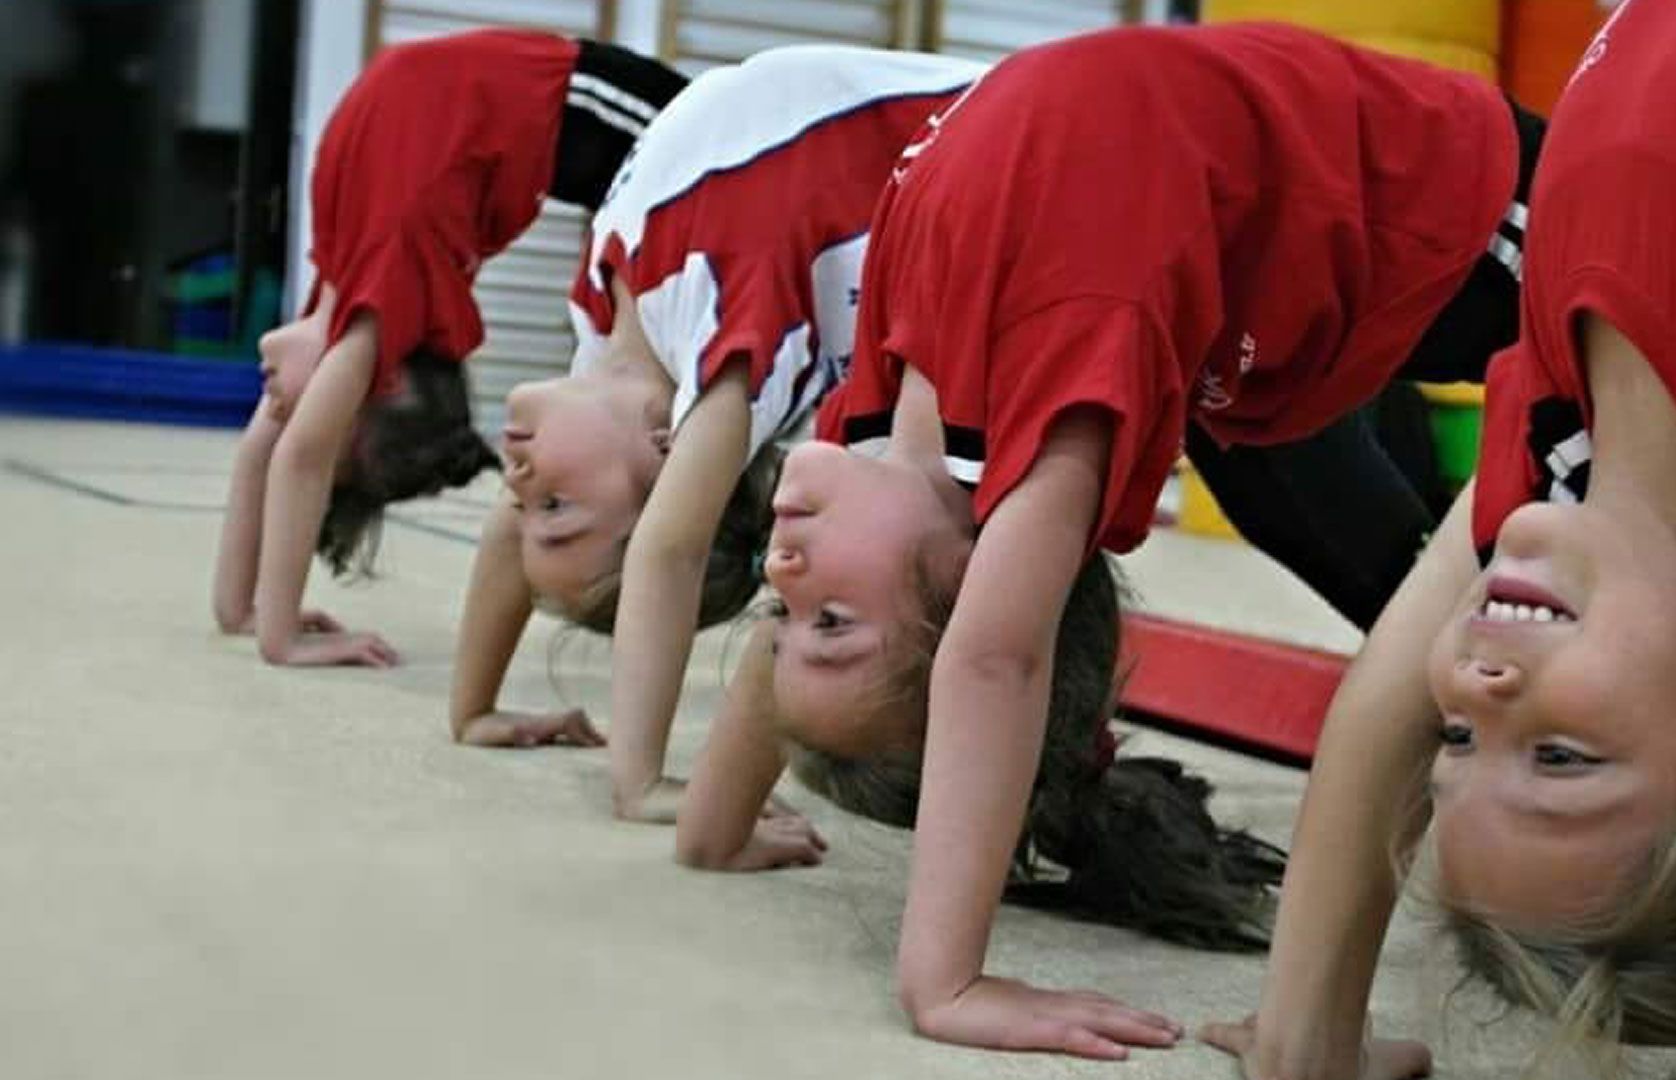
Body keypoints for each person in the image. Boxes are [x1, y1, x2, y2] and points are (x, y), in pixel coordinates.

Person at [674, 21, 1538, 1059]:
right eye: (832, 620)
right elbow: (998, 655)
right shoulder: (1060, 371)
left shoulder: (879, 411)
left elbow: (926, 650)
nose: (778, 569)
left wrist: (711, 832)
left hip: (1369, 231)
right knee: (1483, 566)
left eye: (781, 616)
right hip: (1453, 221)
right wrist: (944, 982)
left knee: (1360, 556)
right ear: (973, 572)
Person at [1202, 2, 1676, 1078]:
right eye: (1560, 756)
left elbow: (1371, 717)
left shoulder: (1564, 435)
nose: (1480, 687)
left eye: (1455, 744)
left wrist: (1305, 1044)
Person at [445, 45, 985, 837]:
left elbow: (530, 529)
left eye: (524, 508)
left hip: (983, 114)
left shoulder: (606, 323)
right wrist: (640, 781)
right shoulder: (731, 343)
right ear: (667, 455)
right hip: (1024, 138)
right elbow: (667, 550)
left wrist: (473, 708)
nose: (516, 480)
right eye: (553, 505)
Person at [211, 29, 686, 667]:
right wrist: (258, 621)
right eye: (313, 412)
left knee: (745, 162)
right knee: (740, 168)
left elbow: (286, 455)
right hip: (568, 111)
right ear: (379, 385)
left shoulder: (354, 280)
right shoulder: (373, 298)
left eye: (303, 411)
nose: (277, 409)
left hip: (568, 102)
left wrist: (264, 625)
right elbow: (286, 453)